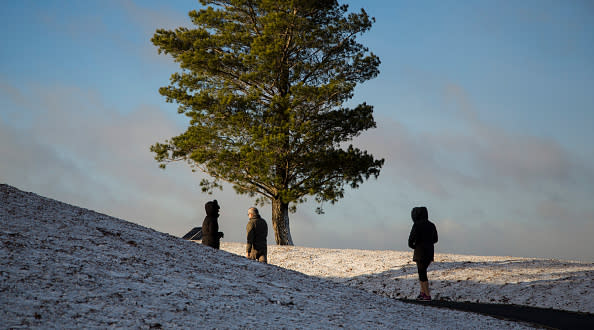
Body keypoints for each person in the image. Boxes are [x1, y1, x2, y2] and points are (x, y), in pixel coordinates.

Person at [408, 206, 438, 301]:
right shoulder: (432, 225)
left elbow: (410, 241)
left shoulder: (416, 225)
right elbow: (435, 239)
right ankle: (422, 293)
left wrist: (415, 246)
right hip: (429, 252)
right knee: (423, 272)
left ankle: (427, 294)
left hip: (420, 253)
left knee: (422, 274)